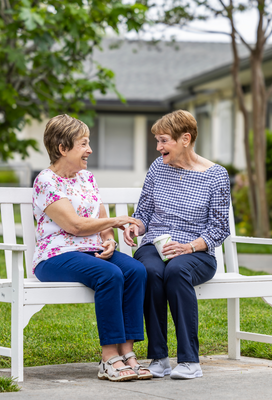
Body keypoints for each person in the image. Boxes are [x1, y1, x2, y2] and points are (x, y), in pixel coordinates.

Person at [32, 114, 151, 382]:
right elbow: (74, 225)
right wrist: (117, 221)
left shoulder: (87, 178)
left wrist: (108, 238)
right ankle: (108, 357)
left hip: (89, 252)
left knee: (135, 270)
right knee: (109, 275)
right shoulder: (46, 181)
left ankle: (127, 353)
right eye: (83, 144)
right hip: (55, 256)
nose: (90, 150)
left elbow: (99, 215)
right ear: (63, 148)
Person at [123, 110, 231, 380]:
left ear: (185, 139)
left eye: (163, 141)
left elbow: (219, 228)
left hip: (197, 252)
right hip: (155, 245)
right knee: (149, 271)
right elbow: (144, 212)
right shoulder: (158, 167)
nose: (158, 148)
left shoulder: (216, 176)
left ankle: (190, 361)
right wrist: (136, 226)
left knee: (176, 271)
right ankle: (159, 357)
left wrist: (189, 247)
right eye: (157, 142)